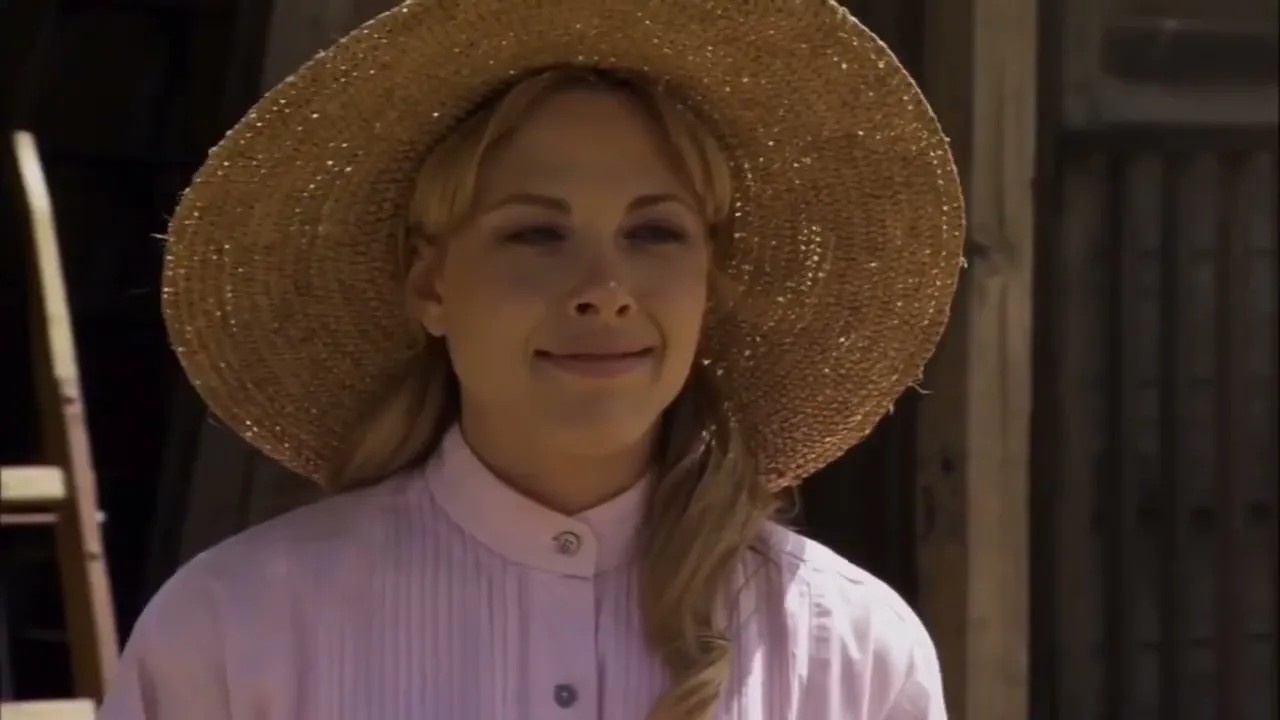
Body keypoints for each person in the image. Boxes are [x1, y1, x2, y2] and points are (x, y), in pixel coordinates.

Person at [98, 0, 965, 718]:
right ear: (431, 285)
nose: (605, 290)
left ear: (709, 286)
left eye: (654, 233)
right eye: (536, 234)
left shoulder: (852, 652)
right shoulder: (236, 628)